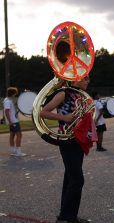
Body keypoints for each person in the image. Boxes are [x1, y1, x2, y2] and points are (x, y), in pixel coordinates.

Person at [40, 76, 93, 223]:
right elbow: (43, 112)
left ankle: (67, 216)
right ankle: (66, 217)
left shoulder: (81, 96)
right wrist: (65, 118)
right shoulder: (63, 93)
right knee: (77, 180)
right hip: (66, 140)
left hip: (78, 141)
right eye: (85, 79)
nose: (88, 81)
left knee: (70, 179)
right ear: (76, 80)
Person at [3, 87, 27, 157]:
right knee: (19, 135)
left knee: (12, 135)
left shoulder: (7, 100)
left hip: (13, 121)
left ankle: (13, 151)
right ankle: (18, 152)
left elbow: (10, 110)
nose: (15, 94)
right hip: (14, 121)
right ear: (12, 93)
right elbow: (6, 111)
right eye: (15, 93)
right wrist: (10, 121)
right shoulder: (7, 101)